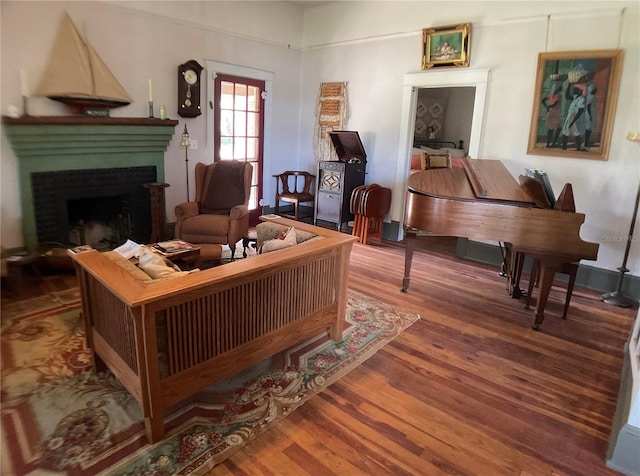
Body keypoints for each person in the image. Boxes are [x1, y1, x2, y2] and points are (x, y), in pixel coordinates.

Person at [562, 85, 587, 151]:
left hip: (576, 117)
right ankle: (564, 146)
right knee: (565, 130)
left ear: (580, 91)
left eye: (576, 91)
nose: (574, 92)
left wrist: (573, 121)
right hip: (570, 116)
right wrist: (569, 85)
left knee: (576, 131)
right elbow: (567, 96)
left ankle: (578, 147)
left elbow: (580, 111)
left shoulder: (581, 99)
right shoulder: (575, 97)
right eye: (574, 91)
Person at [585, 84, 598, 149]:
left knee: (588, 129)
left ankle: (586, 143)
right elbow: (588, 106)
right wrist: (590, 115)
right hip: (590, 114)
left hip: (590, 114)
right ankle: (586, 143)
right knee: (588, 129)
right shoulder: (591, 97)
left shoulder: (589, 96)